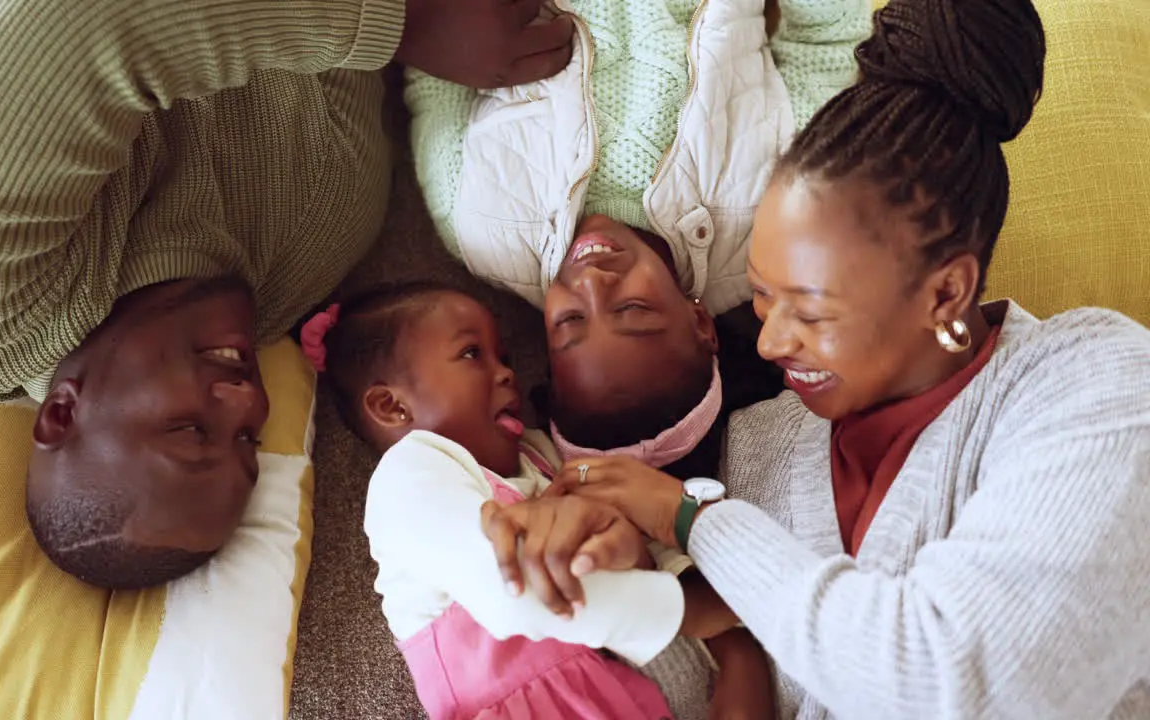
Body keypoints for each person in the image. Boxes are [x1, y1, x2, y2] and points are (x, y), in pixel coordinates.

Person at [480, 0, 1150, 716]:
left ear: (946, 290)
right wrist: (610, 576)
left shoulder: (1100, 381)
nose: (769, 343)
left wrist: (690, 522)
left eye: (811, 311)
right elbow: (740, 659)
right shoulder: (763, 442)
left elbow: (951, 681)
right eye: (764, 299)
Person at [0, 0, 573, 589]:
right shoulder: (321, 222)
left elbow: (96, 21)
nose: (248, 400)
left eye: (189, 428)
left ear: (62, 411)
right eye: (245, 439)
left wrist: (406, 21)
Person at [408, 0, 871, 461]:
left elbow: (435, 79)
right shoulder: (769, 216)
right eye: (631, 307)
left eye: (571, 321)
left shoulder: (479, 228)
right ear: (699, 323)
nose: (590, 283)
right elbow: (825, 49)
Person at [300, 282, 772, 720]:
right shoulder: (408, 476)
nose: (507, 373)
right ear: (392, 407)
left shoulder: (539, 455)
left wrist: (731, 644)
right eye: (471, 353)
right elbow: (517, 593)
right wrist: (698, 608)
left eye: (503, 356)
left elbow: (639, 526)